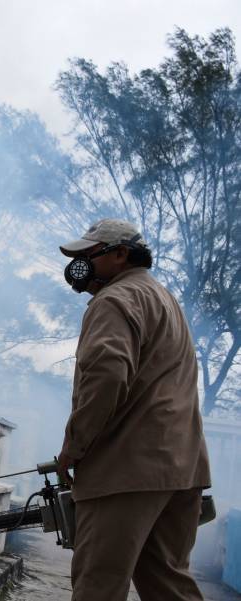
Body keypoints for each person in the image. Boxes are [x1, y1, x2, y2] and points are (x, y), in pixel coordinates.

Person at [56, 218, 211, 601]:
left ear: (120, 255)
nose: (81, 264)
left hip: (126, 471)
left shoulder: (114, 300)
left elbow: (106, 378)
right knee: (168, 584)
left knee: (98, 585)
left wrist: (73, 449)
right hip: (182, 469)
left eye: (88, 255)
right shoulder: (163, 299)